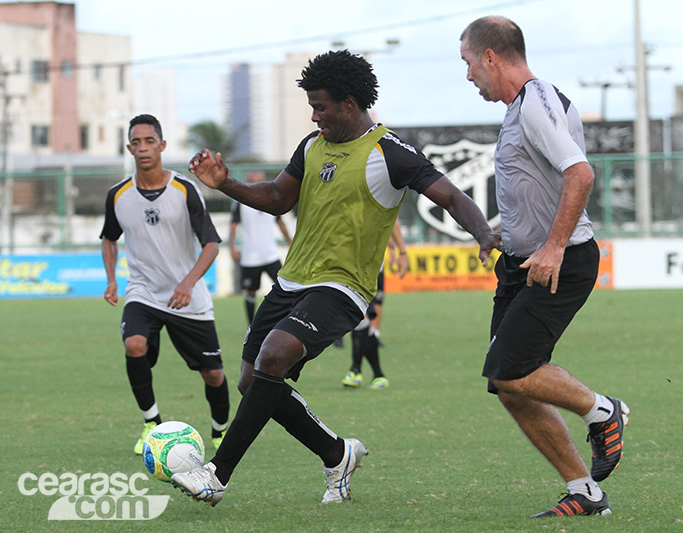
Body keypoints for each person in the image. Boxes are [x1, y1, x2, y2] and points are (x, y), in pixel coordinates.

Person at [171, 50, 500, 507]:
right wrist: (226, 184)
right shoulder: (310, 146)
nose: (314, 115)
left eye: (321, 106)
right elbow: (276, 198)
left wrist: (483, 232)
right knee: (253, 383)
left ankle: (216, 474)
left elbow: (451, 196)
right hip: (291, 282)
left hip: (343, 288)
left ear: (348, 103)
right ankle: (337, 453)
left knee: (274, 357)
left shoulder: (390, 152)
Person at [459, 17, 630, 518]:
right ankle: (585, 492)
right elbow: (535, 185)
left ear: (491, 56)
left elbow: (580, 172)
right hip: (521, 263)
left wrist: (553, 247)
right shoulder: (523, 106)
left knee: (510, 369)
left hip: (560, 261)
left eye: (468, 63)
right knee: (507, 384)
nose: (468, 75)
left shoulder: (535, 101)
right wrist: (501, 235)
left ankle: (603, 410)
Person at [100, 114, 230, 455]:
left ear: (162, 146)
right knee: (134, 345)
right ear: (129, 148)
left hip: (188, 297)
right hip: (143, 292)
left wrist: (188, 283)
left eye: (149, 141)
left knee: (213, 375)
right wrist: (112, 279)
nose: (143, 148)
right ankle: (151, 425)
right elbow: (109, 239)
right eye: (136, 142)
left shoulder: (185, 189)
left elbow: (212, 244)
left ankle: (219, 430)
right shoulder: (118, 195)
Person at [342, 220, 409, 390]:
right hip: (347, 267)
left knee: (362, 318)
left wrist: (399, 251)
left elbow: (390, 221)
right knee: (361, 320)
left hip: (368, 269)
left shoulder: (375, 196)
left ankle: (356, 370)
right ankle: (376, 374)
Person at [230, 170, 293, 323]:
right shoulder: (239, 203)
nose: (256, 184)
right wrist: (232, 247)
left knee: (286, 287)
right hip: (250, 257)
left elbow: (280, 223)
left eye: (259, 181)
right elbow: (233, 226)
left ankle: (287, 322)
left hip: (270, 254)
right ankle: (251, 326)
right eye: (253, 181)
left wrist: (292, 243)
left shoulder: (271, 200)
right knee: (250, 292)